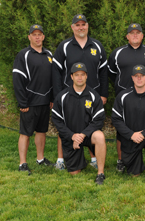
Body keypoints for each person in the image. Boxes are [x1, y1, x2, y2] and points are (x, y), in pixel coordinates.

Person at [52, 14, 108, 170]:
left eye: (83, 24)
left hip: (93, 94)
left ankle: (94, 159)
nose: (81, 27)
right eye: (77, 25)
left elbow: (103, 72)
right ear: (72, 27)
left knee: (92, 125)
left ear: (87, 26)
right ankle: (61, 159)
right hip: (69, 94)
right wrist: (57, 95)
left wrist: (103, 94)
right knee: (64, 126)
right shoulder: (64, 46)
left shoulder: (97, 46)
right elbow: (56, 71)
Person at [108, 23, 145, 171]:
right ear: (127, 36)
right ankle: (120, 160)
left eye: (138, 33)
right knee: (122, 130)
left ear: (142, 35)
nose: (135, 35)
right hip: (125, 99)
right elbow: (112, 73)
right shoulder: (117, 53)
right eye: (132, 33)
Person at [51, 62, 106, 184]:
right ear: (71, 77)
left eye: (82, 74)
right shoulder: (62, 97)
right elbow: (57, 121)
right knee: (74, 173)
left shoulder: (93, 95)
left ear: (86, 76)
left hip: (87, 136)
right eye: (77, 75)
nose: (79, 77)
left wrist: (83, 135)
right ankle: (80, 160)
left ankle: (100, 173)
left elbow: (99, 119)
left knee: (100, 136)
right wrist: (72, 136)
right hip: (71, 137)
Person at [111, 65, 145, 183]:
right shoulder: (123, 96)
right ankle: (135, 163)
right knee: (134, 174)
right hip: (130, 137)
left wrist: (144, 133)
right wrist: (131, 134)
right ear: (132, 78)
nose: (139, 79)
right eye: (136, 76)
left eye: (142, 76)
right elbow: (116, 119)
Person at [12, 24, 54, 174]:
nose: (37, 37)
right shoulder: (23, 55)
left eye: (39, 34)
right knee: (25, 133)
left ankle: (40, 159)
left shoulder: (49, 55)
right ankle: (22, 163)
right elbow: (17, 79)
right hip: (29, 103)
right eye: (34, 34)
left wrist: (52, 97)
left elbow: (53, 78)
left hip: (44, 102)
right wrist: (22, 102)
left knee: (42, 131)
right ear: (29, 37)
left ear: (43, 37)